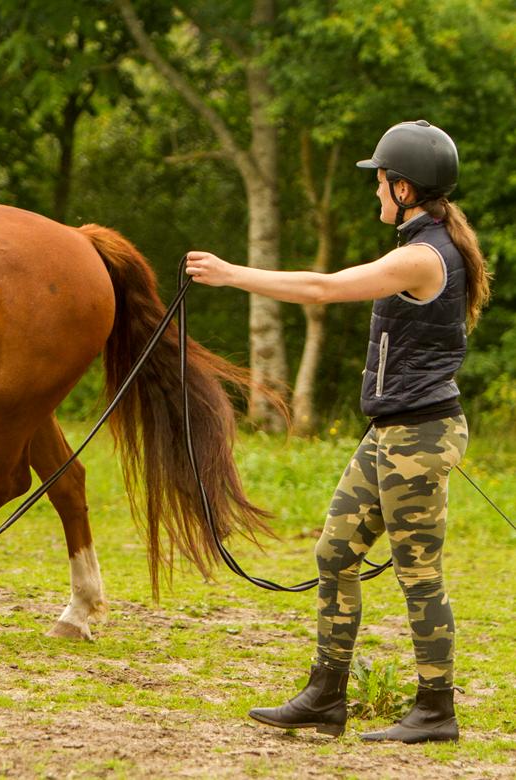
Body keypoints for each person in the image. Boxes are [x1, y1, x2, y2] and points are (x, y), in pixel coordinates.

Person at [184, 120, 491, 743]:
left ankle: (436, 709)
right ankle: (327, 695)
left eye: (379, 182)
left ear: (403, 188)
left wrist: (231, 273)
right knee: (334, 554)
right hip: (389, 434)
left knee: (418, 571)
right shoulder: (427, 242)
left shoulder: (420, 255)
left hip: (418, 438)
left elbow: (323, 291)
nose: (375, 192)